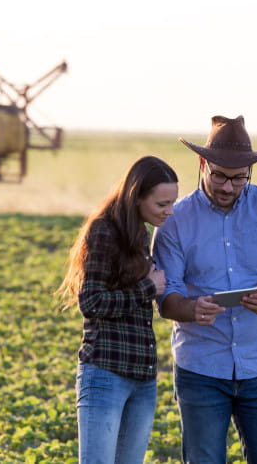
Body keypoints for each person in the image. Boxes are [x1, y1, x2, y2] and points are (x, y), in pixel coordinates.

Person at [152, 115, 257, 464]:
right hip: (201, 368)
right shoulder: (175, 220)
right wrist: (192, 309)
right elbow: (167, 296)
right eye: (219, 175)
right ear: (202, 163)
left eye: (239, 179)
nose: (227, 187)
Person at [57, 155, 180, 464]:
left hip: (143, 377)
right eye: (162, 204)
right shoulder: (104, 231)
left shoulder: (141, 233)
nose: (170, 211)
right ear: (137, 196)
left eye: (172, 203)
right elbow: (92, 303)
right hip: (106, 373)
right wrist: (148, 288)